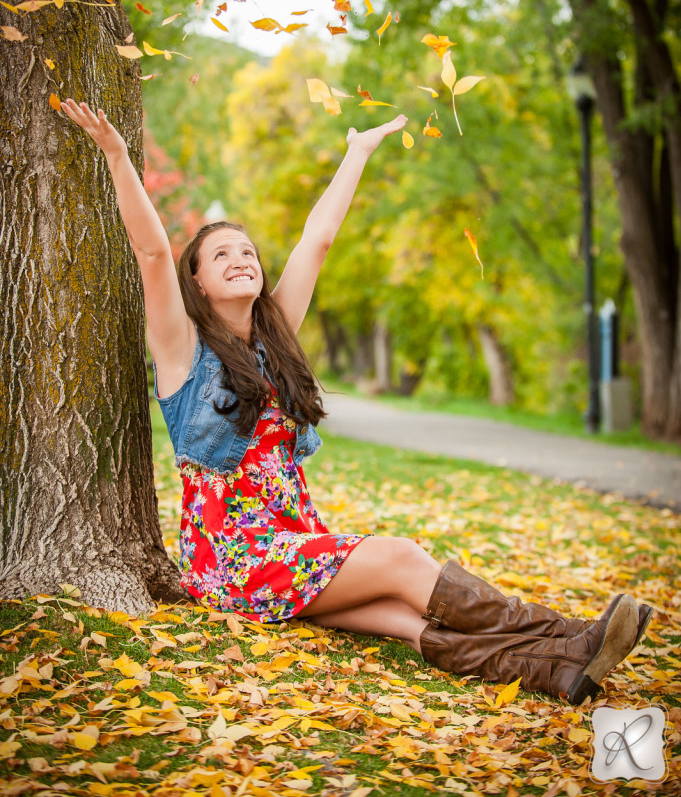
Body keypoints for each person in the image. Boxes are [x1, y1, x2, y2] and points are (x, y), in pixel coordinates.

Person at [59, 98, 651, 706]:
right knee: (400, 560)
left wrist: (356, 154)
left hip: (293, 544)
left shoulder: (274, 341)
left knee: (402, 614)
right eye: (221, 255)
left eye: (249, 253)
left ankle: (558, 669)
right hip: (237, 563)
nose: (241, 260)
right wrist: (117, 153)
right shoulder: (183, 351)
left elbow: (317, 241)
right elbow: (153, 253)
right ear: (199, 284)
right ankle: (574, 634)